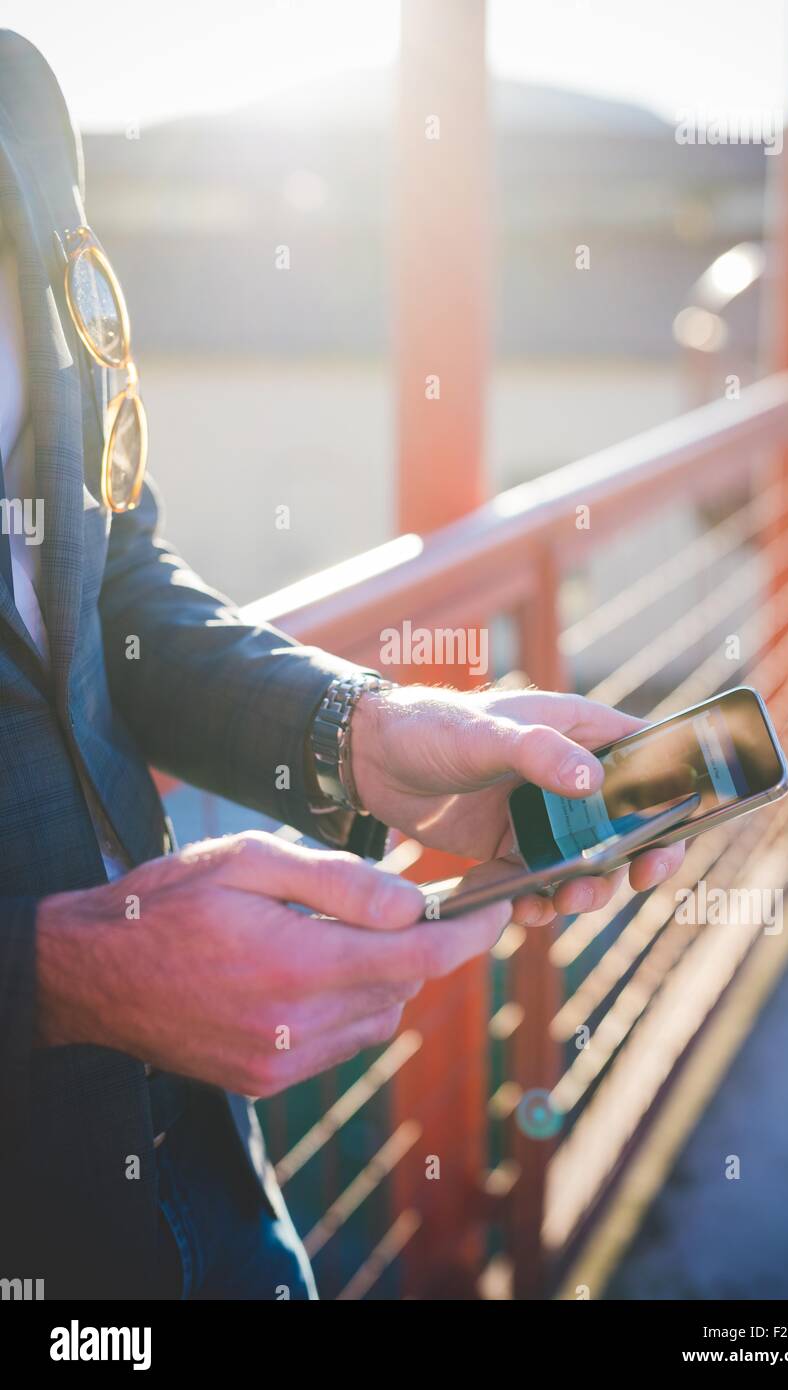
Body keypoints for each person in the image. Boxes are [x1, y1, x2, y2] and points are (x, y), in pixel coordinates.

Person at [0, 29, 685, 1299]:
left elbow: (101, 583)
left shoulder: (20, 94)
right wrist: (60, 974)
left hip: (195, 1173)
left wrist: (373, 739)